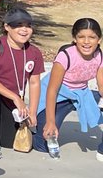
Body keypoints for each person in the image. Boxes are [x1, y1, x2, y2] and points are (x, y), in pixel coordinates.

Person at [0, 8, 43, 151]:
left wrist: (32, 111)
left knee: (8, 143)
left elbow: (34, 82)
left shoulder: (34, 52)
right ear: (7, 27)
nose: (24, 30)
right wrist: (15, 98)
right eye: (18, 25)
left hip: (13, 103)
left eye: (28, 25)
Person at [35, 18, 103, 159]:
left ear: (99, 40)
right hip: (58, 96)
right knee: (42, 145)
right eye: (81, 37)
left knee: (97, 100)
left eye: (92, 37)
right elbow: (52, 91)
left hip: (81, 94)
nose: (86, 42)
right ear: (74, 38)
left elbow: (101, 85)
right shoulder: (65, 56)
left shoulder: (99, 55)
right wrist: (50, 122)